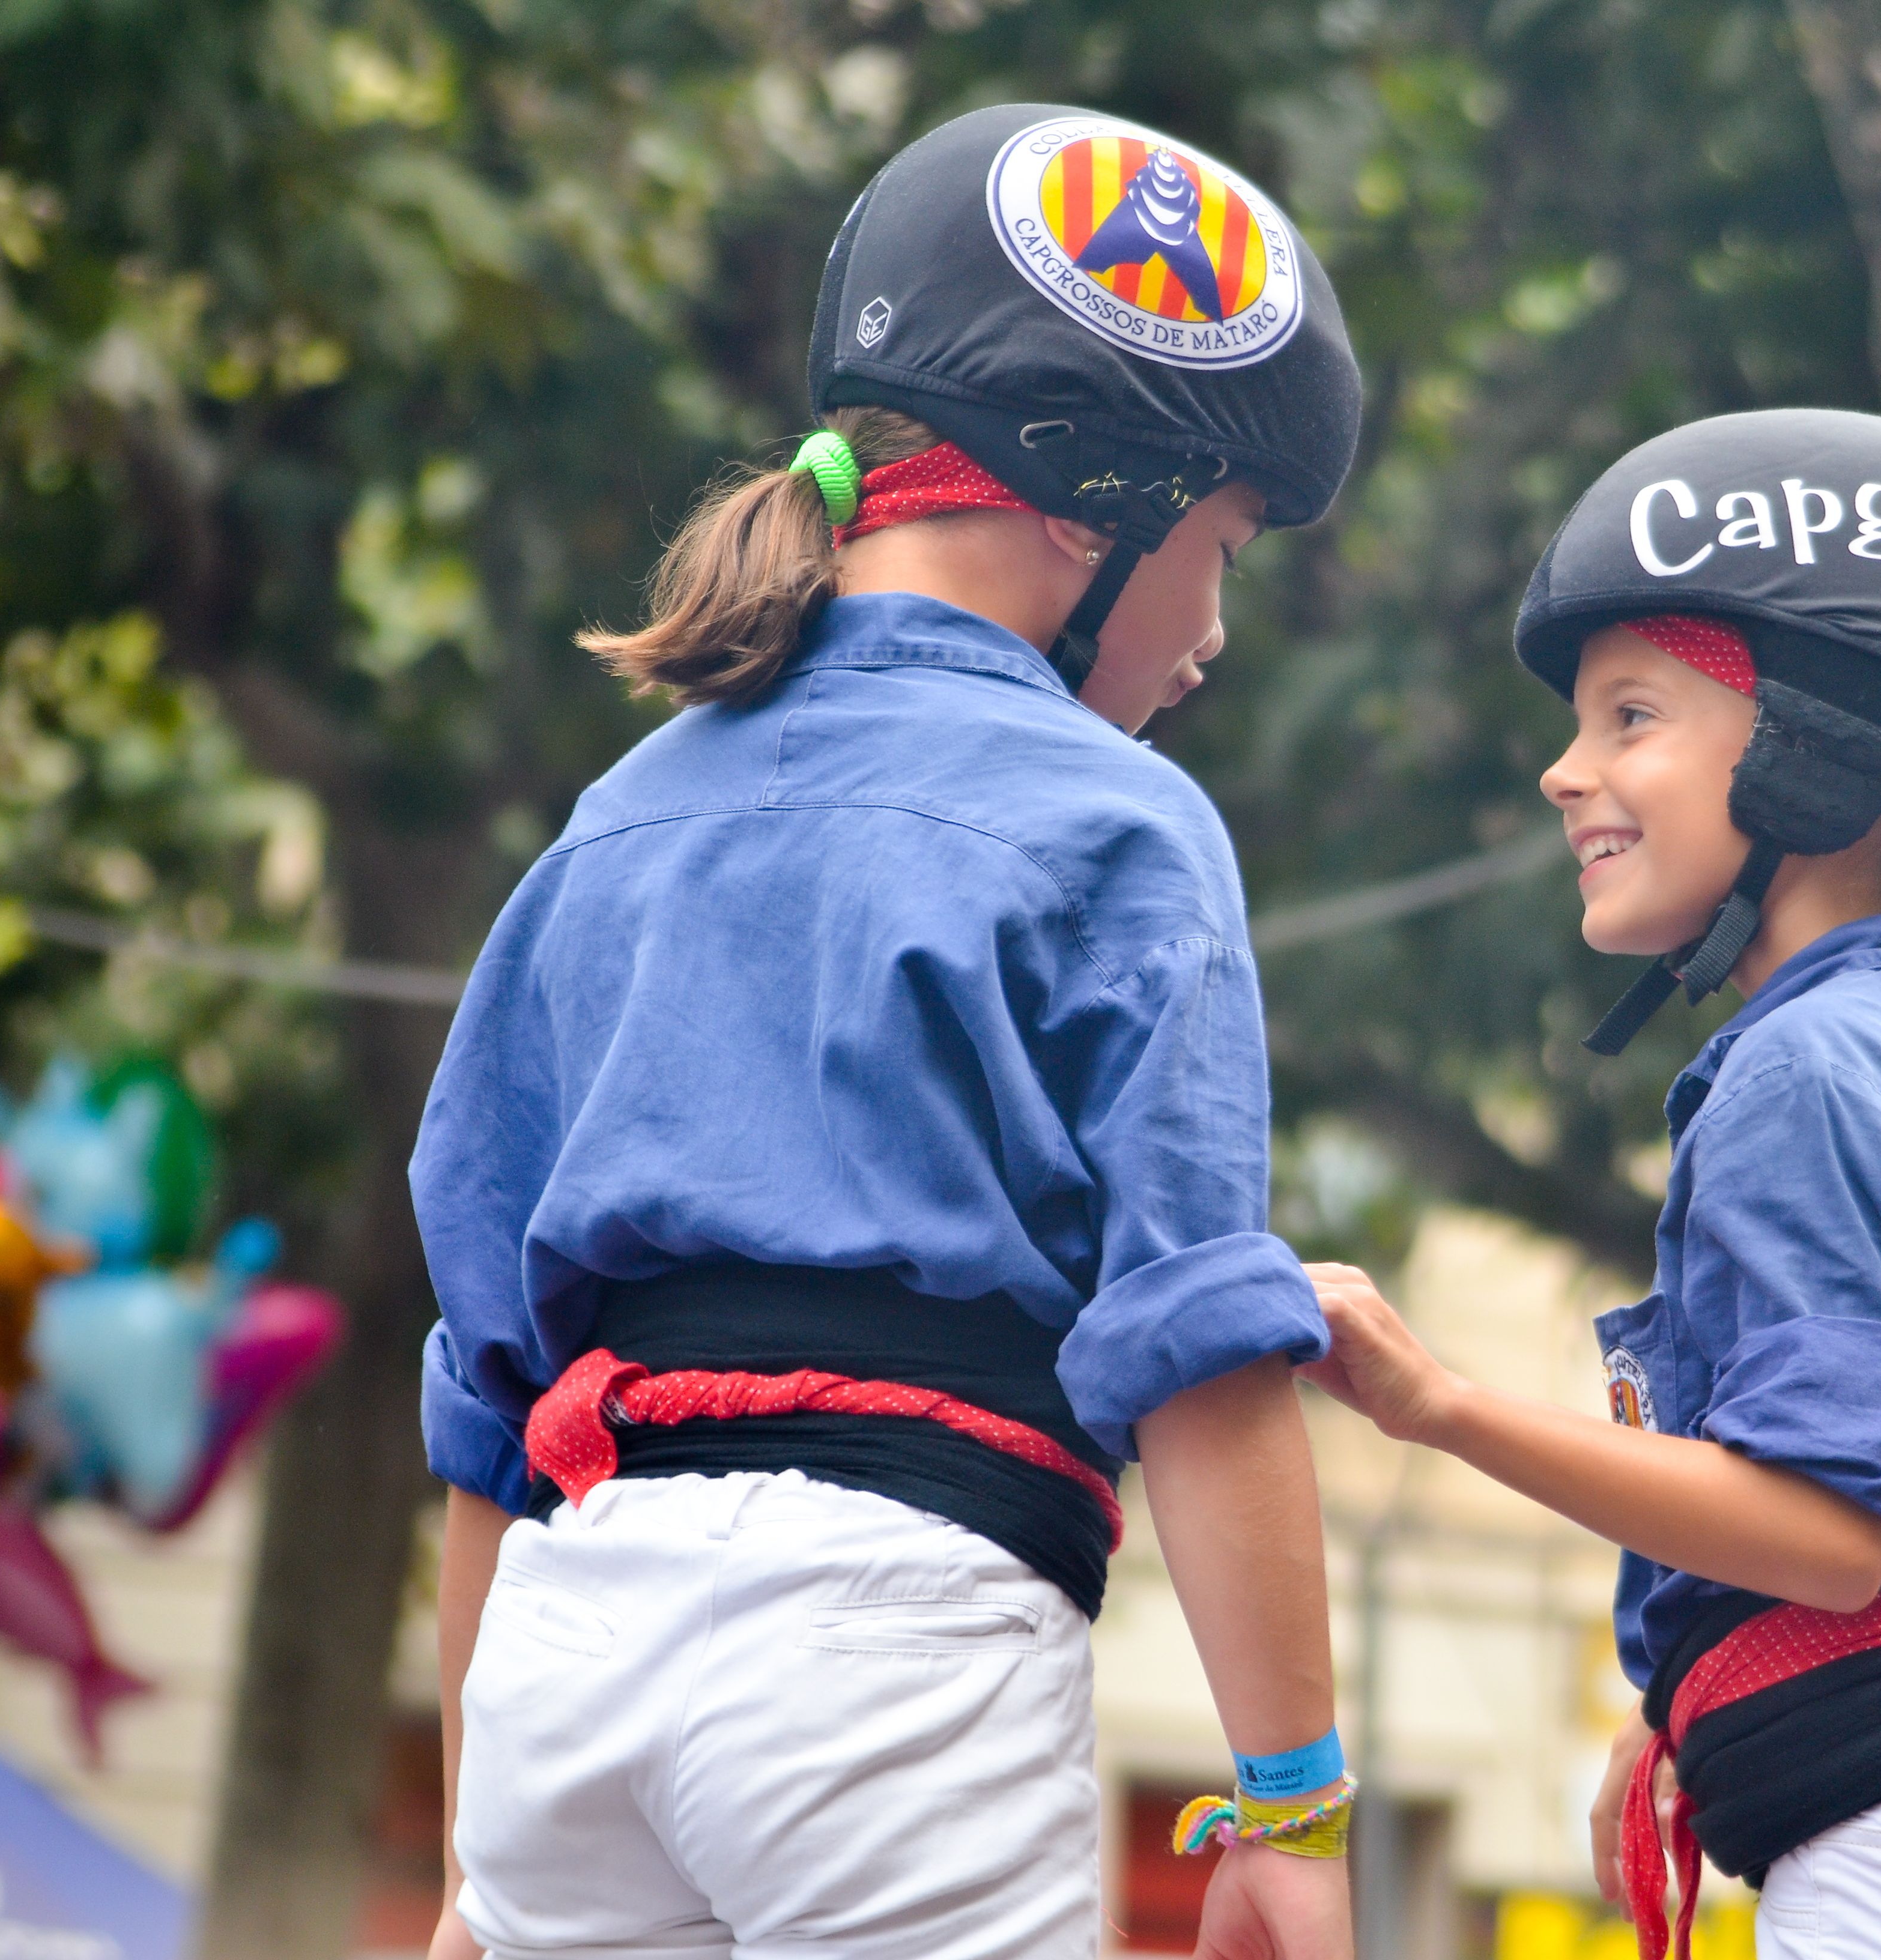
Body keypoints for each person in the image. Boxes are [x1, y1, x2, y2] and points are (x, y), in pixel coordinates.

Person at [409, 103, 1365, 1960]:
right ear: (1097, 499)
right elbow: (1197, 1344)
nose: (1217, 629)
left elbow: (490, 1397)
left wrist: (478, 1868)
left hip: (574, 1633)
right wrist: (1294, 1812)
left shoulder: (621, 817)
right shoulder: (1122, 820)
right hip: (890, 1634)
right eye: (1227, 543)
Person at [1300, 410, 1881, 1960]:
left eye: (1632, 716)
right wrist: (1702, 1697)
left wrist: (1432, 1403)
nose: (1563, 771)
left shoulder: (1811, 1071)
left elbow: (1826, 1528)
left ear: (1812, 760)